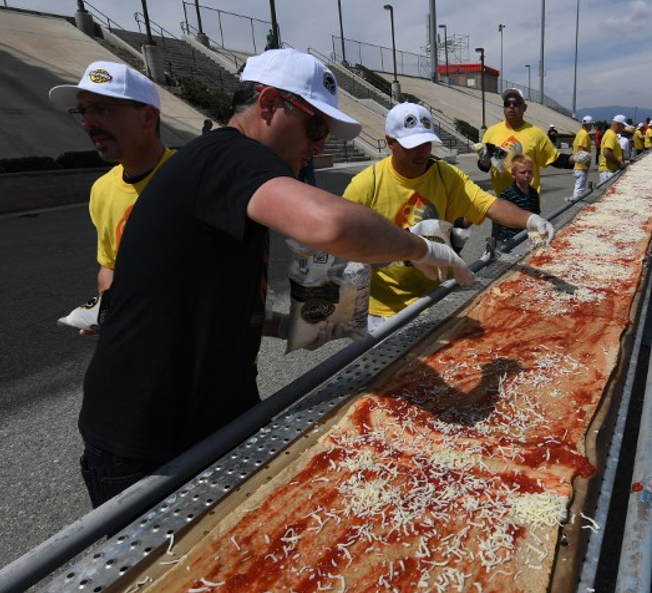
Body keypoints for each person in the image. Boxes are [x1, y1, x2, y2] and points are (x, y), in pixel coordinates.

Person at [78, 50, 472, 508]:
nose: (319, 146)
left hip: (206, 412)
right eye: (315, 128)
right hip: (149, 435)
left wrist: (282, 324)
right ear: (267, 103)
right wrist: (420, 248)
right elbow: (332, 227)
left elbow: (198, 290)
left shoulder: (218, 162)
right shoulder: (230, 154)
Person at [345, 102, 555, 330]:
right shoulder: (367, 185)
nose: (422, 152)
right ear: (389, 142)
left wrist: (531, 220)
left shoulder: (445, 176)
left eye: (427, 143)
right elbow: (341, 244)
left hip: (433, 297)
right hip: (382, 310)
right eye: (412, 145)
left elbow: (487, 204)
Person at [49, 61, 175, 334]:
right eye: (82, 111)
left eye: (101, 109)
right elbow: (110, 268)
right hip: (144, 344)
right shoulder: (102, 190)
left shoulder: (196, 175)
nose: (87, 122)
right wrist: (108, 312)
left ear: (148, 117)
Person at [478, 88, 575, 199]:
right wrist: (484, 162)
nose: (511, 106)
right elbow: (484, 167)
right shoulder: (491, 132)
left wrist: (573, 159)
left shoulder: (536, 134)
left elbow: (554, 159)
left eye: (516, 103)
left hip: (527, 201)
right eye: (507, 103)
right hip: (501, 202)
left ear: (524, 108)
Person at [493, 153, 540, 242]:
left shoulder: (534, 193)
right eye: (522, 172)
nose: (527, 175)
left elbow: (535, 215)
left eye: (530, 172)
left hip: (528, 236)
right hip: (510, 239)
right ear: (513, 174)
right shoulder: (507, 194)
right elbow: (500, 221)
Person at [597, 114, 628, 183]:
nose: (623, 129)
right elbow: (607, 153)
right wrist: (619, 163)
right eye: (622, 126)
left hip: (609, 170)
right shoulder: (611, 135)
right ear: (618, 124)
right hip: (609, 171)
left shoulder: (611, 134)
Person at [570, 115, 594, 202]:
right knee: (580, 188)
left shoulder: (579, 133)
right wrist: (584, 164)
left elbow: (573, 145)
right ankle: (576, 204)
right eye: (591, 124)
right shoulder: (584, 134)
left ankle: (575, 201)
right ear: (587, 124)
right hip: (581, 166)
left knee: (578, 186)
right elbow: (581, 149)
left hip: (577, 165)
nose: (592, 126)